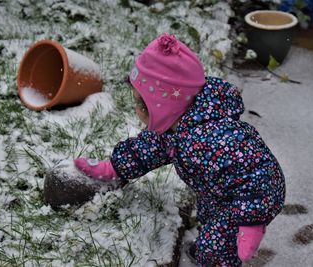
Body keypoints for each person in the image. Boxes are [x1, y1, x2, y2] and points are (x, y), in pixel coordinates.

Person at [74, 33, 285, 266]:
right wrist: (113, 167)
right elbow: (145, 150)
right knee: (210, 220)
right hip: (218, 192)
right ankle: (213, 248)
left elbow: (261, 172)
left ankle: (215, 258)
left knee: (217, 245)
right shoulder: (173, 126)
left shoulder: (214, 138)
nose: (135, 109)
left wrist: (251, 221)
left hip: (251, 199)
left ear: (160, 104)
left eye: (138, 101)